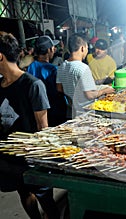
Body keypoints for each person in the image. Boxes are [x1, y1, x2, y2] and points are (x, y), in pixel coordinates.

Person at [0, 31, 59, 219]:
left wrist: (45, 160)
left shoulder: (33, 85)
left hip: (32, 158)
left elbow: (43, 128)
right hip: (8, 159)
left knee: (46, 200)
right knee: (23, 193)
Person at [56, 33, 115, 119]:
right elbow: (90, 95)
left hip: (71, 111)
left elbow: (59, 88)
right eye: (87, 47)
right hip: (85, 113)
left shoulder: (62, 66)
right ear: (82, 48)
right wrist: (104, 91)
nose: (87, 51)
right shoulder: (83, 68)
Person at [27, 35, 67, 127]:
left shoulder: (31, 67)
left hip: (36, 111)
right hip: (54, 111)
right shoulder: (53, 69)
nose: (54, 49)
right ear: (49, 50)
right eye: (53, 47)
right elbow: (59, 90)